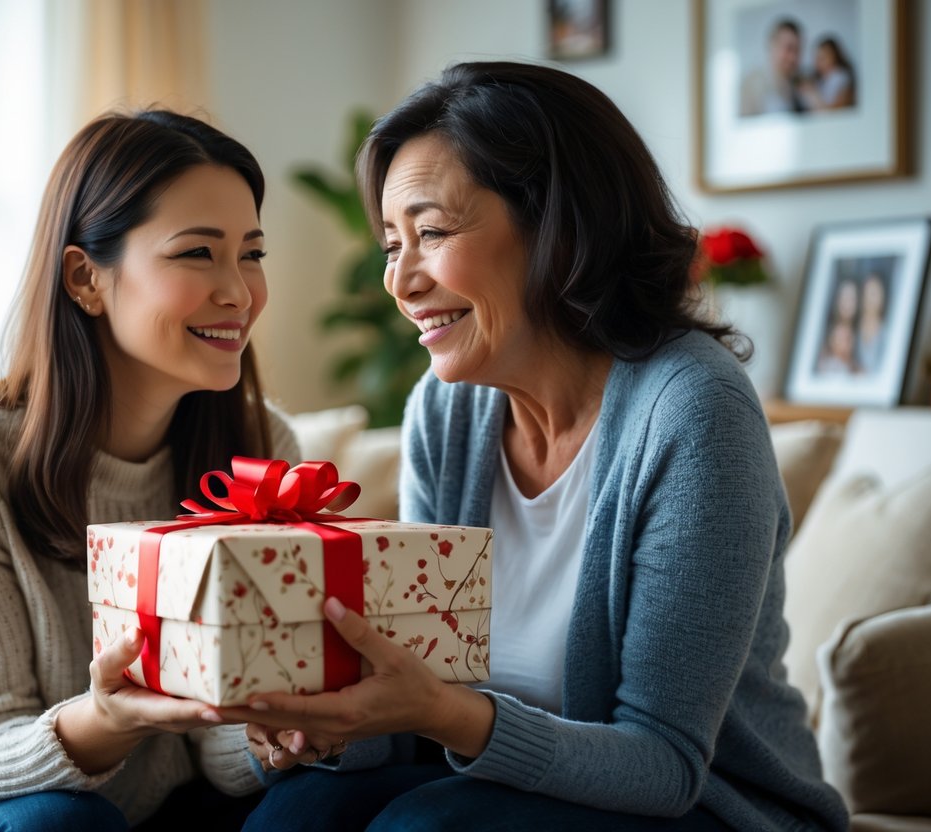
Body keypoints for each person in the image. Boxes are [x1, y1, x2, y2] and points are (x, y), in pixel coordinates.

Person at [216, 61, 850, 830]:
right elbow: (425, 700)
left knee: (430, 828)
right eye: (392, 243)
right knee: (300, 809)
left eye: (432, 232)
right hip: (521, 791)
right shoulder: (444, 413)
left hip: (716, 808)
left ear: (557, 223)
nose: (400, 280)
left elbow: (664, 764)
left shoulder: (692, 410)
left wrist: (444, 713)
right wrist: (323, 726)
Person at [0, 109, 299, 831]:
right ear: (85, 278)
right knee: (63, 823)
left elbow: (219, 748)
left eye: (251, 253)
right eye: (196, 253)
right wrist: (108, 717)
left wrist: (270, 740)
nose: (239, 292)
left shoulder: (260, 442)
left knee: (323, 794)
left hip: (165, 803)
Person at [740, 17, 807, 117]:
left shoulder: (801, 85)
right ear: (772, 46)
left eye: (798, 50)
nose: (793, 58)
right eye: (789, 48)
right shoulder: (751, 84)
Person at [814, 275, 860, 376]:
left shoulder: (860, 335)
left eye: (851, 299)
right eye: (844, 298)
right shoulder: (825, 334)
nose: (847, 304)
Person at [799, 36, 856, 112]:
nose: (817, 62)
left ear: (834, 56)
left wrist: (812, 94)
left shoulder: (842, 78)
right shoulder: (819, 80)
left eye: (822, 58)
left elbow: (834, 111)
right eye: (817, 58)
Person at [855, 271, 888, 375]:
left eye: (874, 294)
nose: (870, 299)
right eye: (867, 293)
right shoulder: (854, 328)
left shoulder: (887, 331)